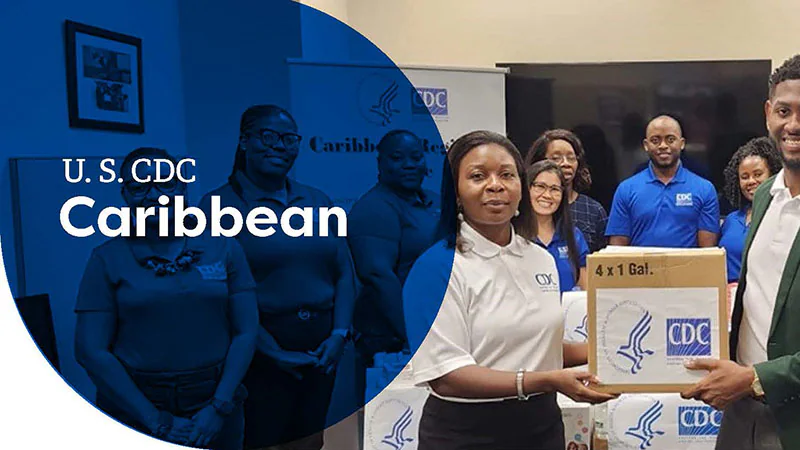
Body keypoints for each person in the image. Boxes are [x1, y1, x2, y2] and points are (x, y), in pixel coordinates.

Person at [404, 130, 614, 450]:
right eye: (478, 176)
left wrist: (610, 348)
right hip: (467, 434)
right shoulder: (436, 268)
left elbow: (538, 344)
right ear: (456, 192)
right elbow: (446, 376)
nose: (495, 185)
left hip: (542, 428)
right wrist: (546, 380)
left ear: (520, 187)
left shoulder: (540, 259)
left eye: (506, 175)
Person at [75, 147, 258, 450]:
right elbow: (90, 350)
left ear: (182, 187)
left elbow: (246, 331)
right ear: (125, 194)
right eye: (139, 186)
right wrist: (154, 419)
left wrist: (219, 406)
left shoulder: (223, 247)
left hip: (215, 396)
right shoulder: (106, 258)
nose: (154, 195)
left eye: (165, 183)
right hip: (135, 402)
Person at [200, 105, 357, 450]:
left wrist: (339, 334)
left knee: (310, 441)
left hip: (323, 346)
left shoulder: (317, 200)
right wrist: (272, 352)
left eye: (289, 139)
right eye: (268, 136)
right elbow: (218, 294)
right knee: (262, 439)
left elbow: (344, 272)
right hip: (258, 349)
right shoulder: (216, 206)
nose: (279, 146)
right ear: (244, 141)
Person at [681, 55, 800, 450]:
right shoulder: (765, 196)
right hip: (741, 409)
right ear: (768, 114)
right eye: (784, 111)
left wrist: (756, 378)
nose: (793, 125)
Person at [347, 129, 439, 400]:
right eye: (397, 158)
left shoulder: (434, 201)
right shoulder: (374, 208)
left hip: (434, 330)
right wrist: (414, 336)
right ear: (381, 163)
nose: (409, 164)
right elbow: (378, 277)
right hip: (394, 338)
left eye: (416, 157)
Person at [605, 115, 720, 248]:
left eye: (670, 140)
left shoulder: (704, 189)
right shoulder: (626, 189)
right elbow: (617, 251)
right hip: (641, 262)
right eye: (655, 140)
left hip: (688, 262)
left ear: (682, 143)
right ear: (646, 145)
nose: (663, 146)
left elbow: (707, 252)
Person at [526, 129, 608, 253]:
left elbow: (601, 258)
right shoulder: (523, 207)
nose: (565, 163)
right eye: (556, 158)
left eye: (571, 158)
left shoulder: (593, 210)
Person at [719, 137, 782, 282]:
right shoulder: (731, 219)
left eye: (758, 174)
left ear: (773, 174)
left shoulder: (781, 215)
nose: (751, 181)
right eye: (745, 177)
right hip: (728, 292)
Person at [528, 160, 589, 292]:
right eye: (540, 186)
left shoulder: (574, 236)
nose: (547, 195)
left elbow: (586, 291)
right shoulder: (512, 235)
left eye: (555, 189)